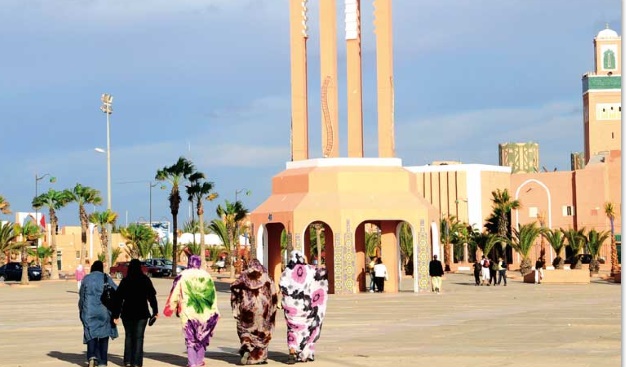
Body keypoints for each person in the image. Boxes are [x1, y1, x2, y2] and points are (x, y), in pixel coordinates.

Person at [164, 255, 220, 367]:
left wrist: (170, 308)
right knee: (203, 337)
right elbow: (213, 295)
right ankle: (199, 361)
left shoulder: (183, 275)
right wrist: (215, 311)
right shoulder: (207, 276)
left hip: (188, 312)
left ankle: (192, 363)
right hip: (207, 312)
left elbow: (175, 293)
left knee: (190, 338)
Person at [279, 250, 328, 364]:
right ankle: (304, 353)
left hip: (290, 305)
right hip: (305, 304)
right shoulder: (310, 269)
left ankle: (292, 351)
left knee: (292, 328)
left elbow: (282, 285)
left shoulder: (287, 270)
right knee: (306, 328)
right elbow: (320, 276)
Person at [230, 259, 278, 365]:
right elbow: (273, 293)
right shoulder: (266, 276)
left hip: (247, 309)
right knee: (261, 332)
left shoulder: (244, 276)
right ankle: (260, 358)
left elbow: (234, 288)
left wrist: (235, 307)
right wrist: (273, 309)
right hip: (263, 309)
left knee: (245, 330)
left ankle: (247, 346)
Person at [112, 259, 158, 367]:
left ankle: (127, 361)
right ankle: (137, 362)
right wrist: (155, 311)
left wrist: (116, 315)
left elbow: (118, 299)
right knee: (138, 337)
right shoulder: (145, 280)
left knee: (129, 336)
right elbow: (152, 296)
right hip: (142, 313)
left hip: (127, 313)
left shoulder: (125, 280)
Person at [78, 260, 119, 367]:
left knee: (91, 333)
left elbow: (82, 296)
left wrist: (81, 310)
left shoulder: (86, 279)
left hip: (89, 310)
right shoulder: (106, 277)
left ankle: (92, 356)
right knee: (104, 335)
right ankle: (103, 361)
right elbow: (117, 291)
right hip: (104, 311)